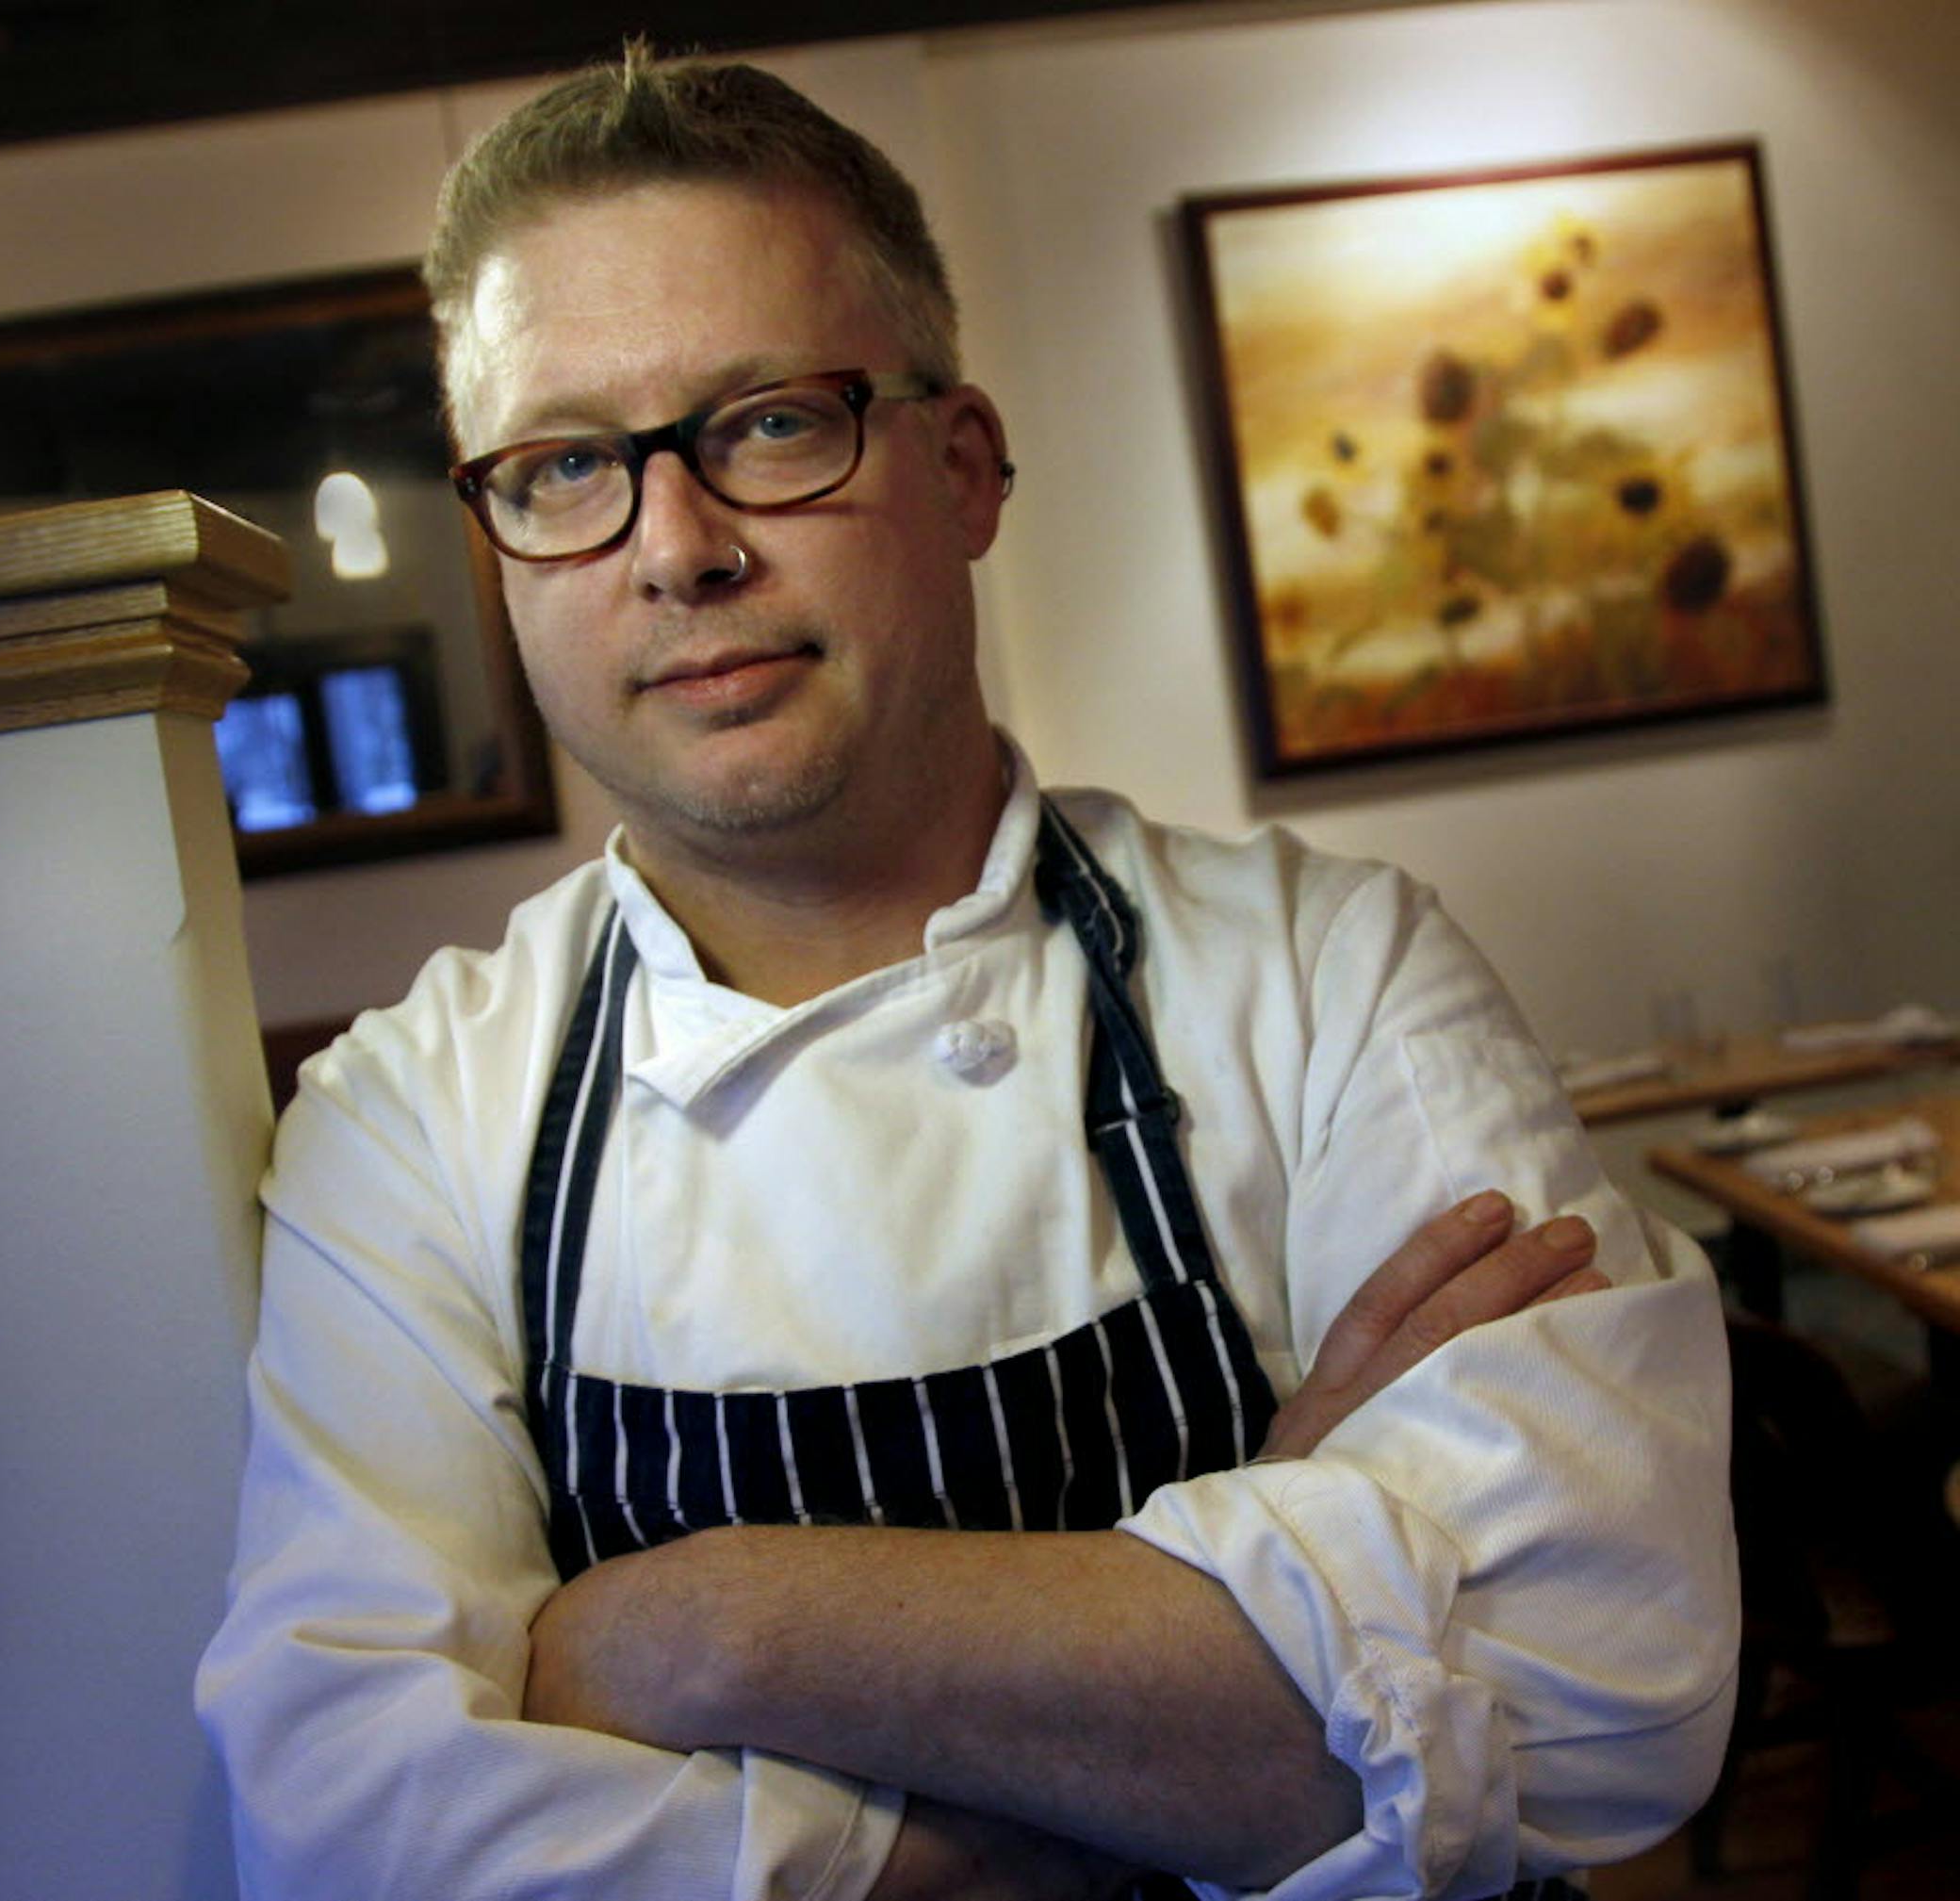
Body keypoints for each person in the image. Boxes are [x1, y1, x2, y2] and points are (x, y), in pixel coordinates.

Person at [196, 48, 1738, 1901]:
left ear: (965, 465)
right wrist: (1261, 1578)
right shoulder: (414, 1122)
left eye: (769, 421)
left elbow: (1601, 1686)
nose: (674, 545)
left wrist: (703, 1631)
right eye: (566, 465)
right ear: (502, 546)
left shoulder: (1331, 968)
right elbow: (360, 1833)